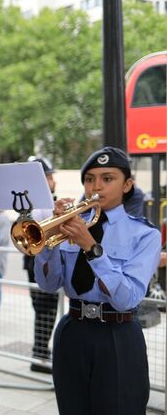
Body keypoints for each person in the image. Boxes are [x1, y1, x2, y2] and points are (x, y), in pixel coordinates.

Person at [33, 146, 161, 415]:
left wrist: (91, 247)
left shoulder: (144, 234)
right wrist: (49, 242)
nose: (96, 186)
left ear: (127, 185)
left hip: (118, 334)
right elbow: (48, 284)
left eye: (107, 178)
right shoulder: (74, 224)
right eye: (89, 179)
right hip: (72, 330)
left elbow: (127, 298)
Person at [23, 156, 60, 373]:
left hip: (34, 261)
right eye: (48, 176)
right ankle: (39, 355)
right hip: (39, 260)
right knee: (46, 310)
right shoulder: (40, 203)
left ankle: (41, 351)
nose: (52, 180)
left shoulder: (37, 201)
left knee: (44, 310)